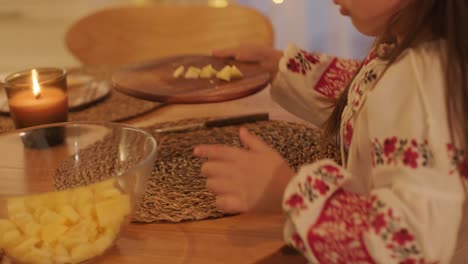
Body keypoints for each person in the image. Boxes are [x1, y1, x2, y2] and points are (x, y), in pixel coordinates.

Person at [193, 0, 468, 263]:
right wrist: (280, 68)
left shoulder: (419, 83)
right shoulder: (416, 47)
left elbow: (410, 243)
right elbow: (368, 97)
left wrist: (286, 189)